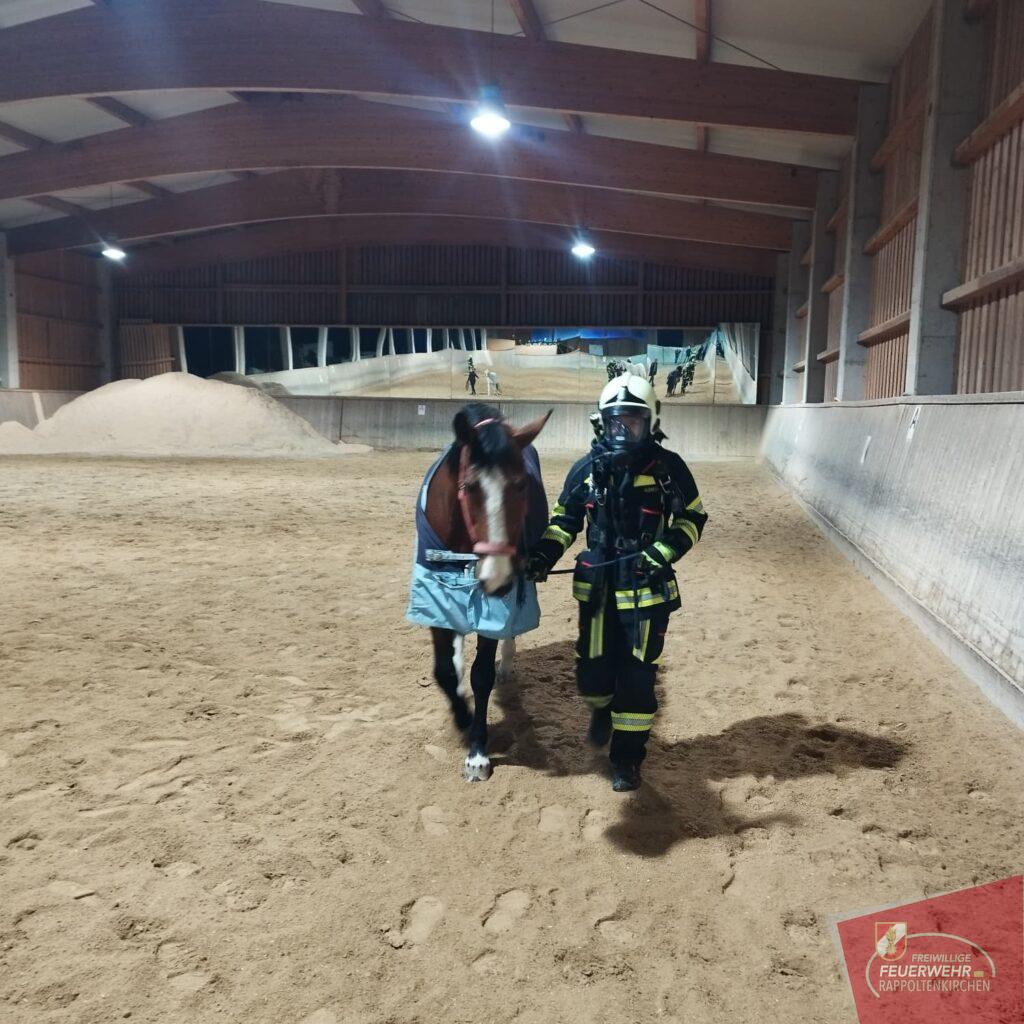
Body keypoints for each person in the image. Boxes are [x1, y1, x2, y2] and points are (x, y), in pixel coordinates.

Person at [526, 374, 707, 792]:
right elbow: (564, 521)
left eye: (634, 421)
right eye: (616, 422)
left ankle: (627, 759)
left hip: (648, 592)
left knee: (638, 679)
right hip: (597, 592)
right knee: (592, 673)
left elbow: (692, 518)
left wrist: (661, 552)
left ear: (651, 422)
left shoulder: (669, 470)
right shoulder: (585, 471)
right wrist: (542, 556)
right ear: (601, 423)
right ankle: (600, 709)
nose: (624, 430)